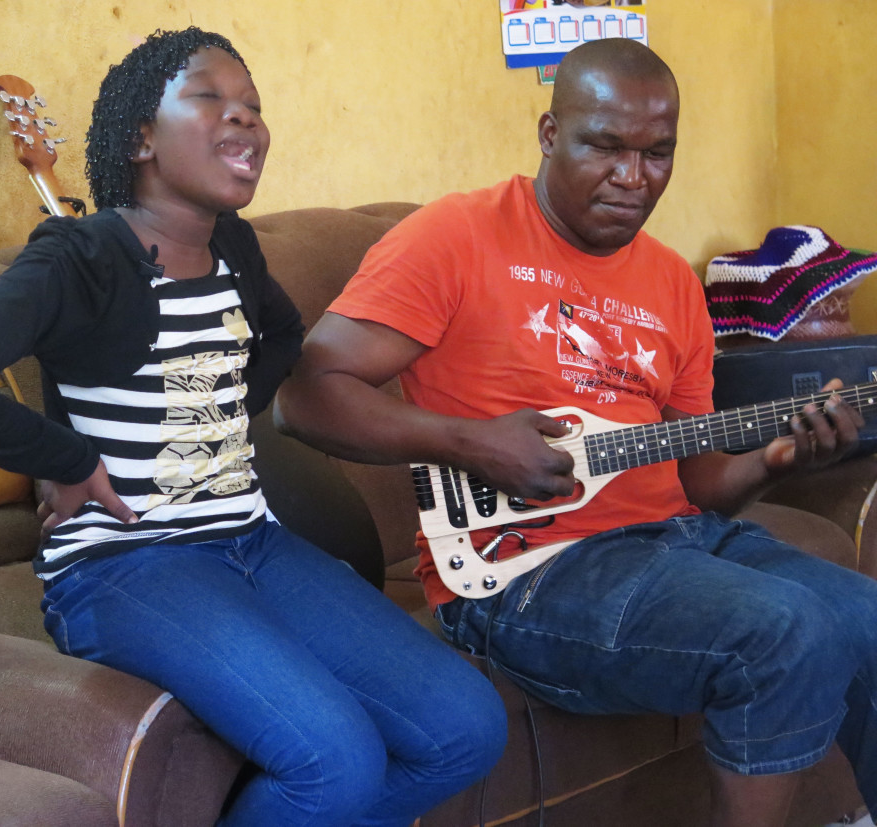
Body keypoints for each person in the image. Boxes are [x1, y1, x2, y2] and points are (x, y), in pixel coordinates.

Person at [0, 27, 507, 827]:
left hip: (252, 544)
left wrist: (217, 411)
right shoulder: (78, 257)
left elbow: (286, 337)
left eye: (253, 105)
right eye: (210, 98)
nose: (244, 118)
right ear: (142, 136)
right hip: (124, 565)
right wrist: (66, 457)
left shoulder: (234, 250)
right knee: (334, 760)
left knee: (468, 726)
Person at [274, 37, 877, 827]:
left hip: (675, 540)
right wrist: (472, 441)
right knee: (782, 632)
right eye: (606, 146)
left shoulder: (669, 281)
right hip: (523, 568)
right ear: (550, 133)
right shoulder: (454, 237)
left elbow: (703, 486)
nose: (634, 178)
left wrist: (780, 456)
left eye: (658, 154)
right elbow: (305, 398)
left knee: (864, 619)